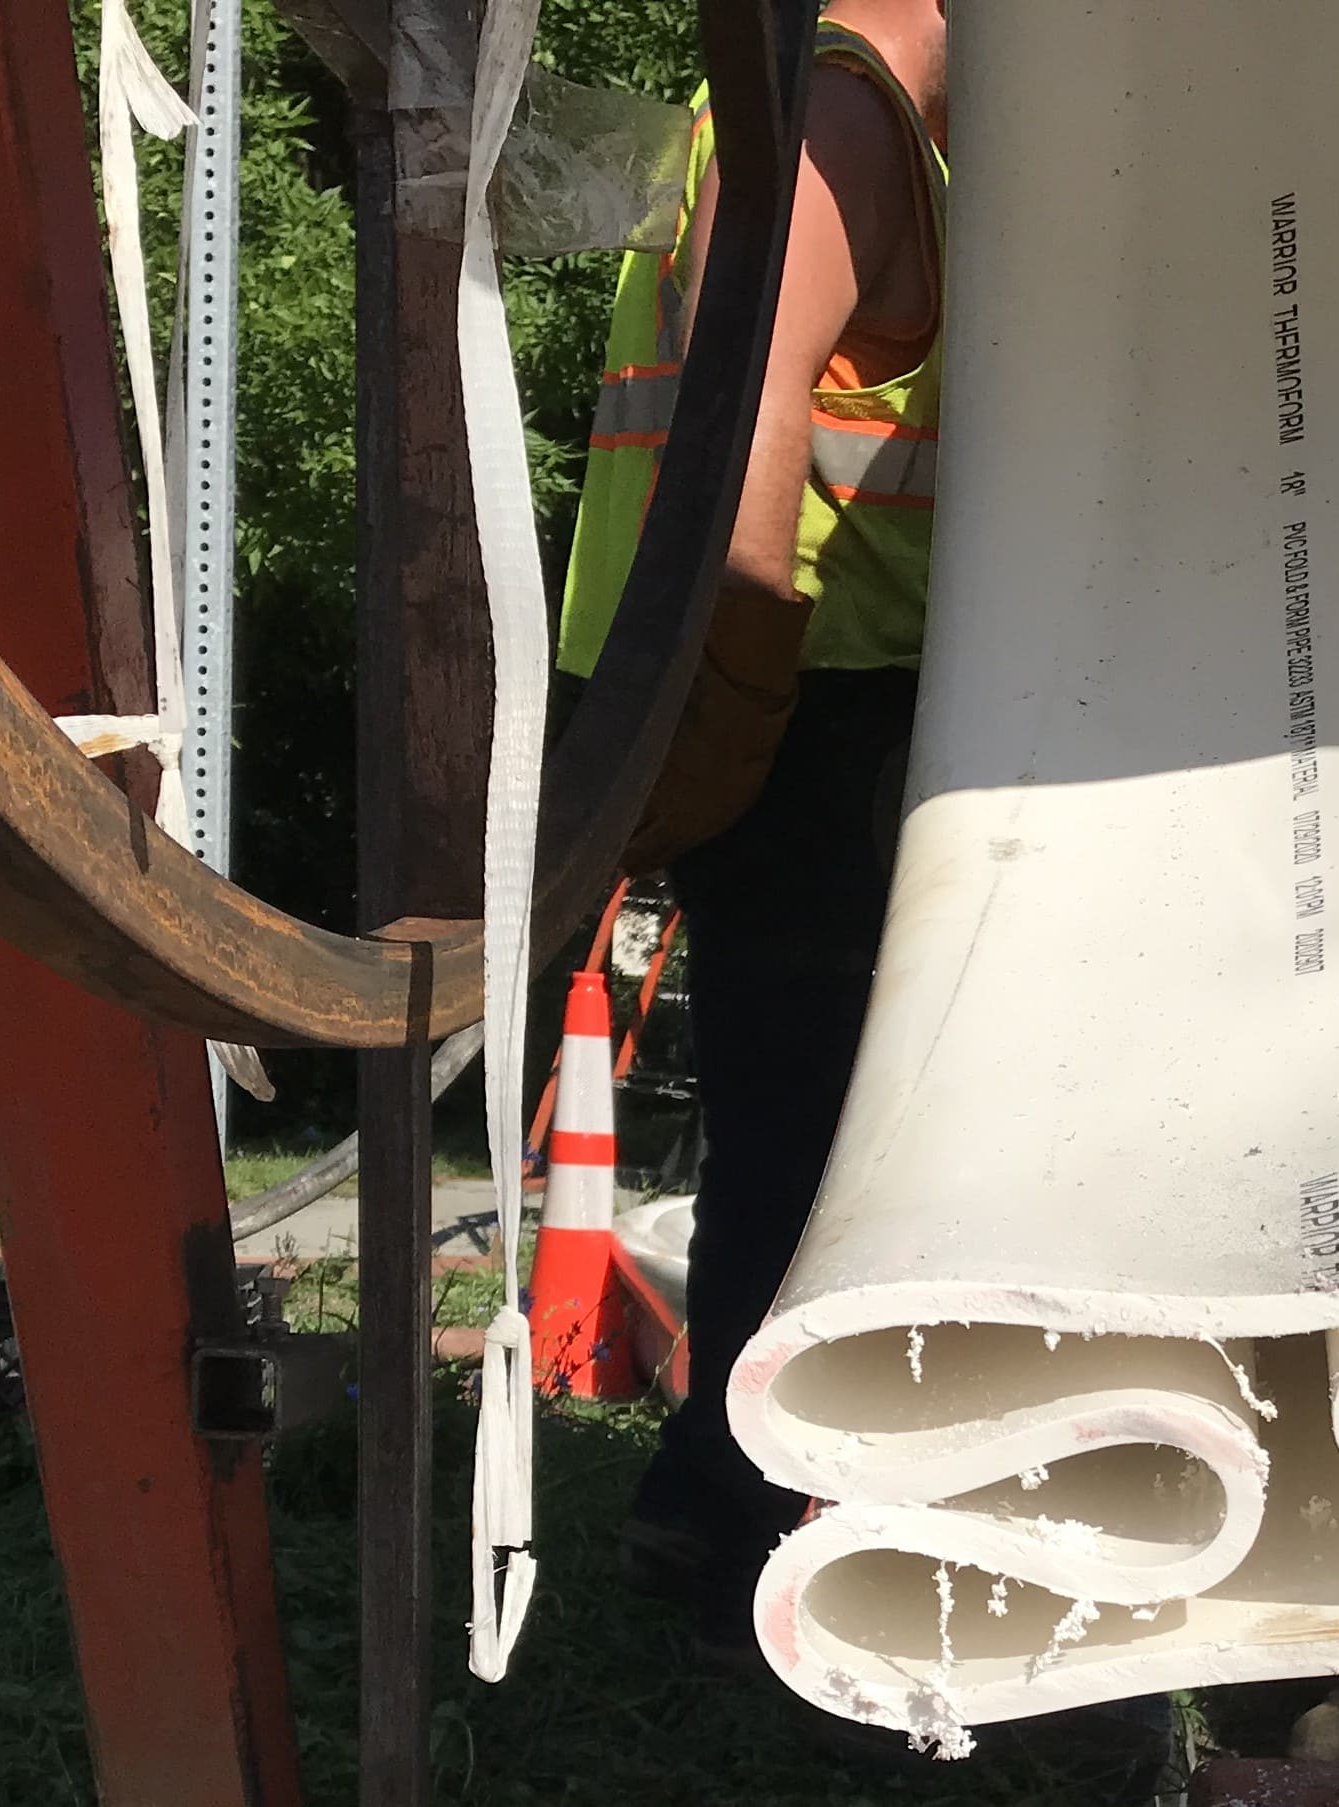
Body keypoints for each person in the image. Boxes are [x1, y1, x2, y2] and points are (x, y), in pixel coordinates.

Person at [552, 1, 948, 1650]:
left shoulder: (812, 98)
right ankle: (739, 1522)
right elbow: (751, 410)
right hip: (802, 691)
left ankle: (725, 1504)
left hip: (773, 688)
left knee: (803, 1121)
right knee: (822, 1134)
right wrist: (737, 684)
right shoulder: (841, 109)